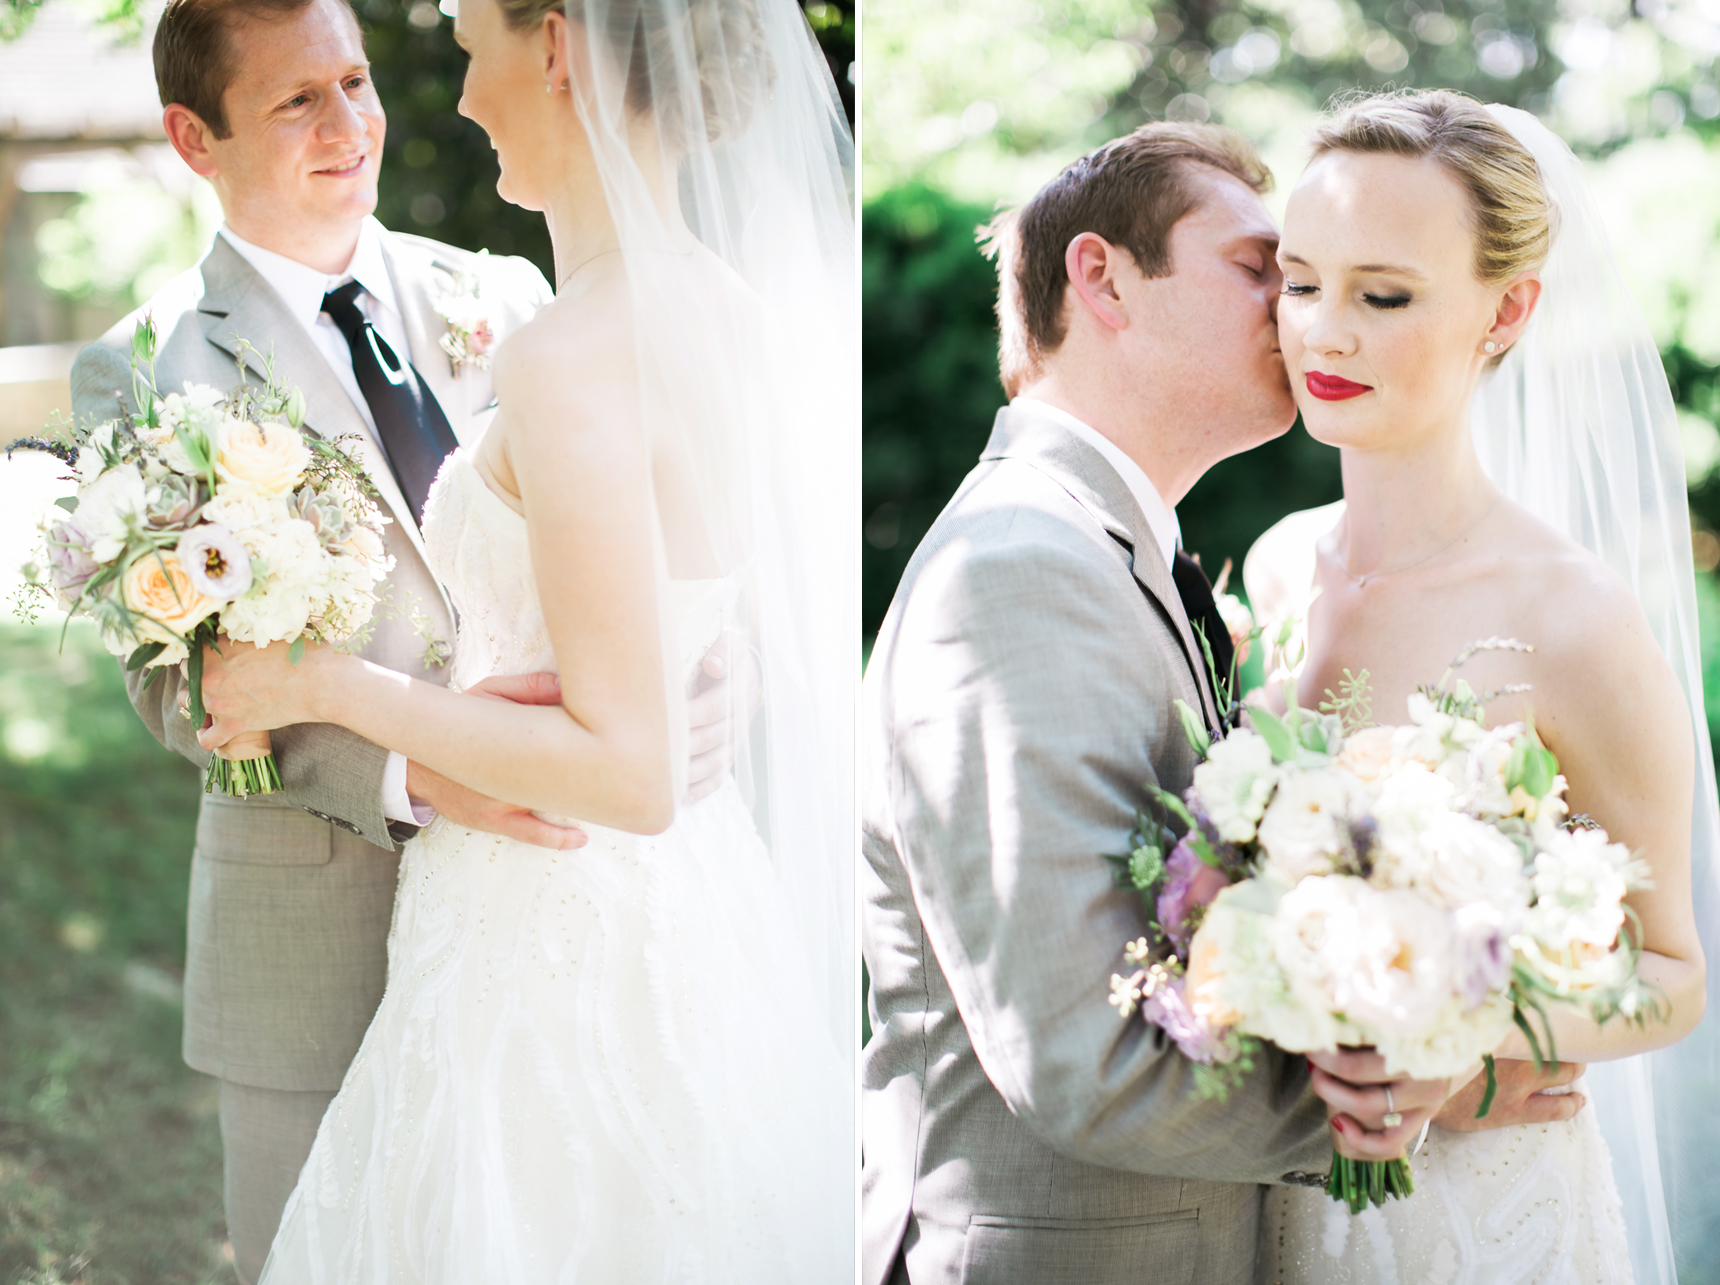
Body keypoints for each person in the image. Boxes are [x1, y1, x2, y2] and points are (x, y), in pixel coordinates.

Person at [186, 0, 856, 1276]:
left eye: (472, 50)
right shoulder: (726, 308)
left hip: (550, 928)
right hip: (681, 917)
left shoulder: (564, 350)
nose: (459, 99)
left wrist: (323, 678)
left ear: (555, 48)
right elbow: (702, 603)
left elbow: (627, 772)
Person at [859, 121, 1554, 1285]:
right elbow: (1084, 1052)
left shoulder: (1116, 552)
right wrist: (1438, 1078)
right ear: (1103, 278)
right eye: (1258, 269)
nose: (1294, 312)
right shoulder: (1016, 570)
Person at [1245, 90, 1714, 1283]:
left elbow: (1669, 974)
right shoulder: (1275, 563)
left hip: (1484, 1221)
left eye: (1382, 295)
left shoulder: (1571, 618)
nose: (1322, 335)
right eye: (1299, 281)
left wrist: (1466, 1046)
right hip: (1273, 1202)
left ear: (1505, 311)